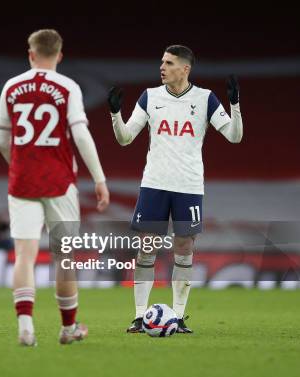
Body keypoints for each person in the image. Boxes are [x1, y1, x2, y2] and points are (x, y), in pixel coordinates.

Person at [107, 45, 243, 333]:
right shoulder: (150, 96)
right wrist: (115, 114)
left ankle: (179, 317)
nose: (162, 67)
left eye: (169, 63)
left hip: (189, 186)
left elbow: (234, 136)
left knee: (184, 249)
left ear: (185, 69)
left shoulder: (205, 98)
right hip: (154, 184)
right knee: (147, 250)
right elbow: (125, 138)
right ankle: (139, 316)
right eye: (161, 62)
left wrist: (235, 106)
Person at [0, 29, 110, 346]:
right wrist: (99, 178)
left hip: (23, 181)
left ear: (30, 54)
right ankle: (68, 328)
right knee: (65, 258)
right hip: (59, 182)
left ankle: (25, 326)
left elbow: (2, 139)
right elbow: (81, 136)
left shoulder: (12, 86)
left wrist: (18, 164)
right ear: (59, 55)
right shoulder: (67, 86)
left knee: (24, 256)